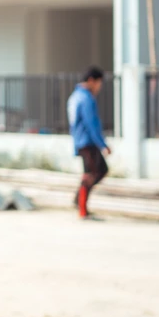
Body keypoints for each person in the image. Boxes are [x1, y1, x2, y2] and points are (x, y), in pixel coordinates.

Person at [67, 66, 111, 220]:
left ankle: (79, 200)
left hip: (80, 141)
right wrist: (102, 144)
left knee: (97, 171)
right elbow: (91, 123)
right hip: (88, 141)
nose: (99, 87)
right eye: (99, 83)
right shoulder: (86, 98)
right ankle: (82, 209)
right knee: (92, 174)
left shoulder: (75, 96)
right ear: (91, 81)